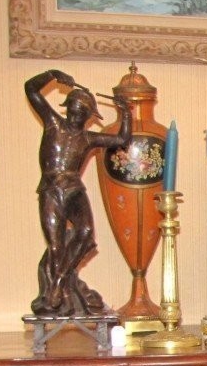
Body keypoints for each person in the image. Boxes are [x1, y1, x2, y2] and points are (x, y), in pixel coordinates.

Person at [25, 69, 131, 317]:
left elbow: (121, 139)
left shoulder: (87, 138)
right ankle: (53, 292)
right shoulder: (53, 124)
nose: (78, 113)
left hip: (74, 189)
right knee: (55, 245)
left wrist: (126, 113)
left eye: (83, 111)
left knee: (85, 235)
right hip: (51, 188)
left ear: (87, 116)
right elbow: (31, 89)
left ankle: (60, 281)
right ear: (69, 107)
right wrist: (51, 75)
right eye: (75, 107)